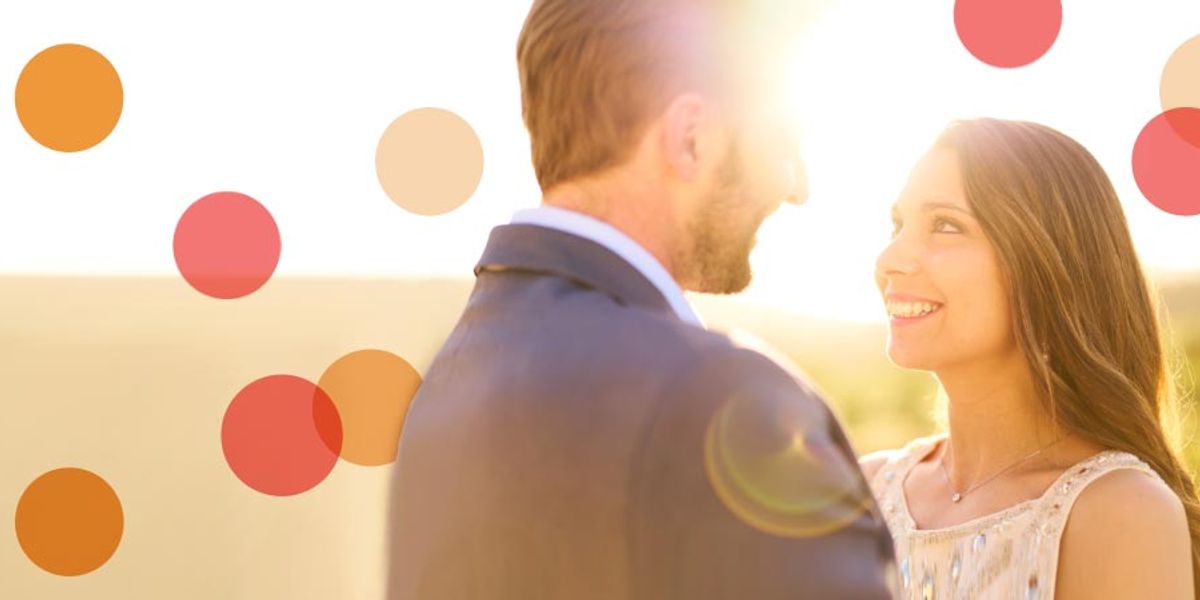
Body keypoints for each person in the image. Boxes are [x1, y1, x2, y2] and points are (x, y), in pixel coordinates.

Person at [386, 0, 895, 598]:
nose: (796, 186)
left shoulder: (448, 382)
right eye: (782, 141)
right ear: (692, 139)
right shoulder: (721, 396)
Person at [864, 118, 1198, 598]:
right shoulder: (863, 489)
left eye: (946, 225)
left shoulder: (1120, 514)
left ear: (1045, 265)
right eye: (898, 225)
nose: (889, 259)